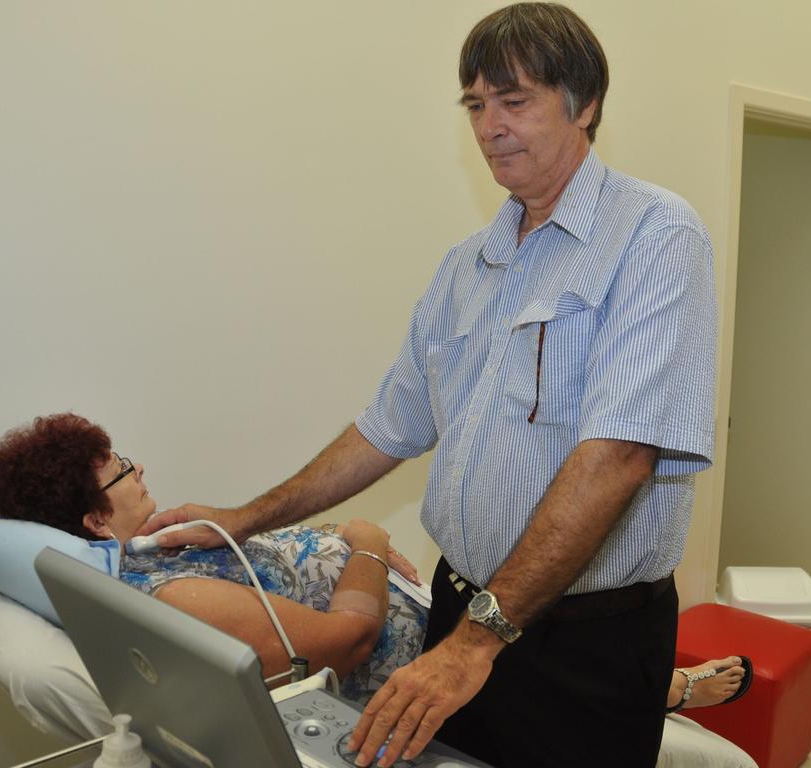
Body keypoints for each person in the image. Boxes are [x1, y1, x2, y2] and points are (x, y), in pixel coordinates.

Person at [139, 3, 716, 767]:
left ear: (587, 105)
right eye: (476, 105)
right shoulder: (467, 266)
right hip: (464, 610)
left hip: (584, 641)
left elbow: (618, 458)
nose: (489, 126)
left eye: (515, 100)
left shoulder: (655, 235)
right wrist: (243, 519)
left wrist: (477, 643)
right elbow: (388, 426)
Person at [0, 412, 428, 703]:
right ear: (95, 521)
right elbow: (349, 640)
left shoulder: (147, 549)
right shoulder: (177, 599)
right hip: (425, 667)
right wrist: (368, 540)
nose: (139, 470)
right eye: (122, 471)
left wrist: (336, 536)